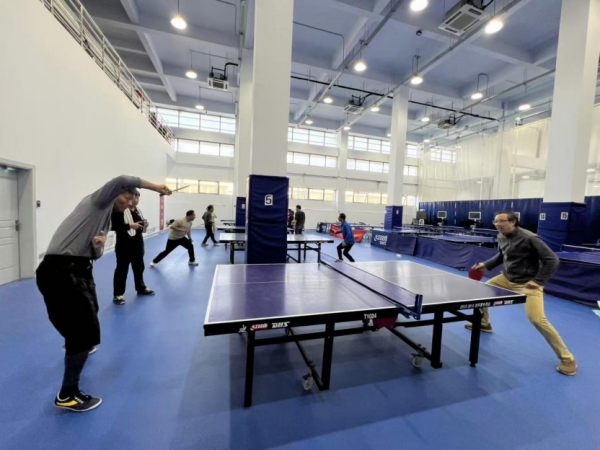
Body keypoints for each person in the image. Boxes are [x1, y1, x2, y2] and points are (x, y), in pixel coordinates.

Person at [36, 176, 171, 412]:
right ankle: (68, 394)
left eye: (133, 201)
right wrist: (156, 187)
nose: (130, 203)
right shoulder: (98, 202)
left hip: (80, 269)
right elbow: (123, 179)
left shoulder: (106, 219)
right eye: (128, 198)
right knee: (82, 331)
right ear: (116, 194)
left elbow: (95, 254)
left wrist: (98, 248)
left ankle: (77, 345)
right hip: (61, 270)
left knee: (90, 316)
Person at [467, 211, 577, 376]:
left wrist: (539, 281)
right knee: (482, 292)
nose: (497, 224)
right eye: (495, 221)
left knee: (537, 319)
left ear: (513, 222)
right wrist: (485, 264)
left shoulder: (530, 238)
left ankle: (567, 358)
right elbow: (502, 255)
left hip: (528, 284)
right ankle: (484, 323)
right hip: (506, 278)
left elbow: (552, 259)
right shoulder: (501, 236)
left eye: (501, 221)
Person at [111, 189, 154, 305]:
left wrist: (144, 225)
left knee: (139, 267)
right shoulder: (119, 210)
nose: (135, 200)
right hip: (124, 244)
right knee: (122, 269)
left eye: (137, 197)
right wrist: (130, 225)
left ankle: (141, 287)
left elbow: (140, 227)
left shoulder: (138, 211)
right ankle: (118, 294)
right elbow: (113, 226)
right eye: (133, 197)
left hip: (138, 243)